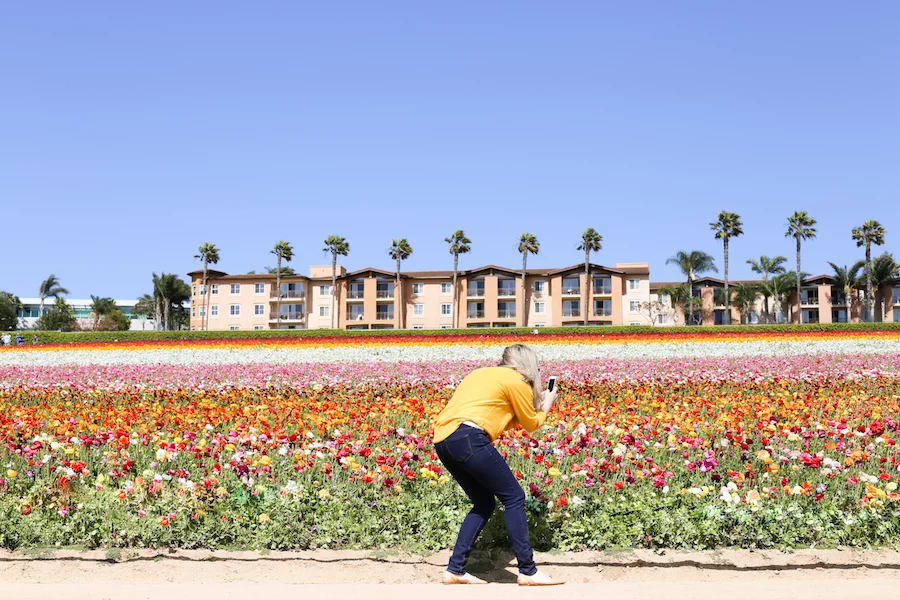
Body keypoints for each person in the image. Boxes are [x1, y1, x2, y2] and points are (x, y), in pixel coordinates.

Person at [432, 344, 563, 586]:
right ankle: (528, 571)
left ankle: (455, 570)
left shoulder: (481, 373)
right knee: (514, 497)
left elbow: (500, 416)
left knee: (483, 502)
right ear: (527, 365)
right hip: (469, 437)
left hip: (444, 440)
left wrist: (532, 408)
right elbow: (532, 424)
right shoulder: (517, 381)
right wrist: (548, 403)